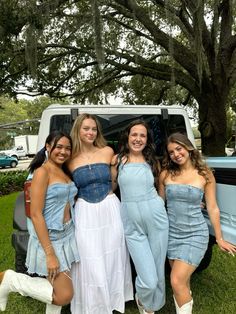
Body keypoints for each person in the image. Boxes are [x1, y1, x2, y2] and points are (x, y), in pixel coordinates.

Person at [0, 131, 80, 314]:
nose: (63, 151)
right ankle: (11, 280)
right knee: (64, 295)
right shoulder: (42, 172)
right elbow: (36, 214)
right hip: (51, 240)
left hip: (67, 235)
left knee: (55, 287)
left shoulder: (63, 170)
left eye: (68, 148)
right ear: (48, 147)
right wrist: (50, 253)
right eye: (59, 147)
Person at [158, 132, 236, 314]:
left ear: (188, 147)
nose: (176, 154)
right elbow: (159, 204)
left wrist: (219, 238)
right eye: (171, 152)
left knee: (176, 280)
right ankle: (186, 302)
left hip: (195, 234)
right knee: (182, 281)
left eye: (179, 148)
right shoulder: (166, 174)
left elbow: (213, 207)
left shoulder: (205, 174)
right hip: (172, 234)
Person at [68, 113, 133, 314]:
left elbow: (113, 183)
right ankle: (94, 304)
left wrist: (114, 169)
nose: (90, 132)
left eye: (94, 129)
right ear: (78, 130)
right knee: (89, 257)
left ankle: (114, 299)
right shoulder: (69, 158)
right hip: (84, 211)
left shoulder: (107, 151)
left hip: (110, 207)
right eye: (86, 128)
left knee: (114, 254)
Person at [111, 120, 169, 314]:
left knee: (158, 268)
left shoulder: (152, 161)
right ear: (127, 137)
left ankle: (151, 306)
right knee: (149, 277)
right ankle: (142, 296)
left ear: (147, 139)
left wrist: (160, 203)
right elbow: (111, 188)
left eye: (142, 135)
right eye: (134, 135)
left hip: (157, 220)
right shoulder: (117, 160)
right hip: (132, 224)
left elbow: (162, 184)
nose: (138, 139)